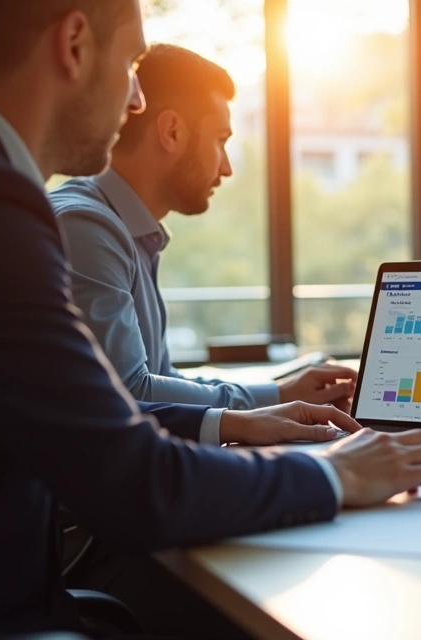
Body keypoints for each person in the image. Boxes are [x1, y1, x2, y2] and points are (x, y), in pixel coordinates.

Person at [0, 1, 421, 638]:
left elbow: (88, 415)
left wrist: (237, 423)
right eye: (132, 64)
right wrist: (334, 471)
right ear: (74, 44)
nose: (138, 99)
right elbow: (133, 484)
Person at [49, 43, 356, 414]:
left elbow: (160, 378)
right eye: (220, 141)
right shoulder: (86, 228)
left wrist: (281, 394)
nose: (227, 168)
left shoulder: (127, 230)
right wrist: (266, 407)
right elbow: (131, 392)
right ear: (172, 131)